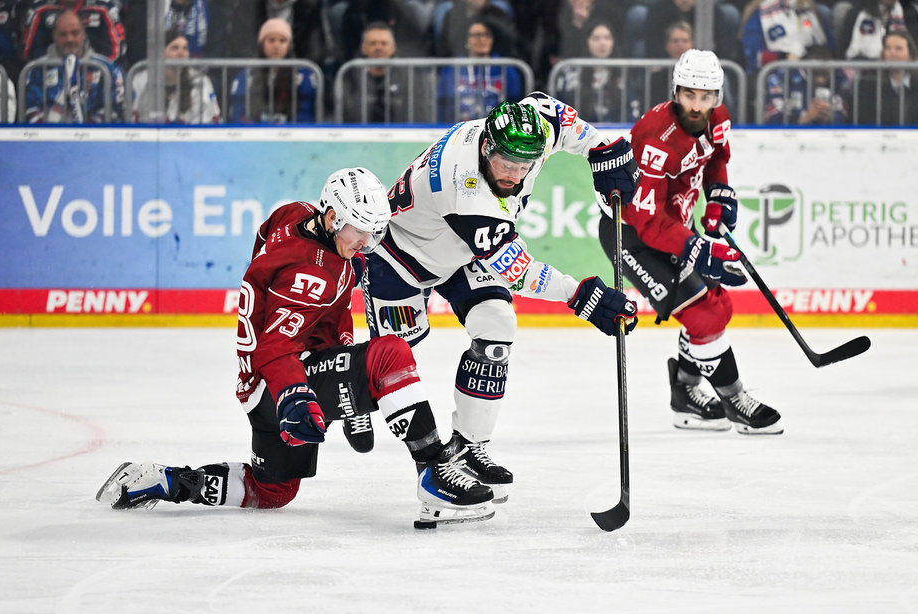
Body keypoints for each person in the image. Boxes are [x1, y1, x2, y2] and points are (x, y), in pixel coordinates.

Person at [96, 168, 496, 527]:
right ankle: (434, 472)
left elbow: (271, 262)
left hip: (257, 383)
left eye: (373, 231)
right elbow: (275, 343)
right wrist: (294, 394)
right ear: (334, 216)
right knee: (389, 355)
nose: (366, 242)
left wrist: (337, 350)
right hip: (280, 376)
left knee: (273, 490)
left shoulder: (295, 214)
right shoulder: (313, 274)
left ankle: (166, 481)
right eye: (359, 230)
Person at [362, 93, 640, 501]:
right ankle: (360, 405)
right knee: (392, 362)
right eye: (505, 164)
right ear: (487, 148)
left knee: (497, 324)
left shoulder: (534, 128)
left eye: (524, 166)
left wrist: (604, 148)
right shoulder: (466, 187)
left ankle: (464, 450)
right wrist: (580, 295)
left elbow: (563, 118)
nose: (514, 174)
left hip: (458, 254)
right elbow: (519, 272)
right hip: (400, 258)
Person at [599, 49, 783, 436]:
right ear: (675, 92)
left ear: (717, 96)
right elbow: (647, 221)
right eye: (689, 95)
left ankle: (685, 392)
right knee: (704, 314)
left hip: (673, 230)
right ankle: (734, 399)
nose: (697, 105)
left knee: (718, 304)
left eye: (706, 96)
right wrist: (699, 248)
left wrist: (718, 196)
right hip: (631, 237)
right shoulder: (655, 139)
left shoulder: (718, 119)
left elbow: (717, 160)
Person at [24, 9, 125, 123]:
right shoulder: (36, 69)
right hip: (50, 138)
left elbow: (115, 108)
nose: (69, 39)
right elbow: (30, 108)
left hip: (95, 138)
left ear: (84, 34)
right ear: (54, 36)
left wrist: (90, 129)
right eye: (63, 34)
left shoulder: (106, 68)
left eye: (75, 33)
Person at [340, 21, 433, 123]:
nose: (378, 48)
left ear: (393, 48)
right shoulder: (351, 78)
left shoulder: (409, 78)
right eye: (373, 43)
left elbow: (418, 115)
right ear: (363, 48)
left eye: (384, 43)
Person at [229, 17, 318, 124]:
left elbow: (306, 115)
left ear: (289, 45)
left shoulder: (303, 75)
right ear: (262, 44)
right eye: (271, 40)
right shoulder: (247, 75)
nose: (276, 46)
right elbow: (239, 113)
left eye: (282, 40)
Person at [436, 19, 523, 123]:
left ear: (492, 40)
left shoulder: (506, 69)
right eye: (476, 35)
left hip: (497, 129)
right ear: (466, 39)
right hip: (461, 128)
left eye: (486, 35)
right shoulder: (453, 69)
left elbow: (515, 102)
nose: (482, 39)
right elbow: (442, 104)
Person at [130, 27, 220, 124]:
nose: (181, 53)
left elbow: (210, 119)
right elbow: (131, 117)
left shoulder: (201, 81)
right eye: (174, 48)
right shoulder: (141, 80)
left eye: (185, 48)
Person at [551, 20, 623, 122]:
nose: (602, 43)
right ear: (587, 41)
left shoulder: (623, 73)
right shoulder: (569, 73)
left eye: (607, 38)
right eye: (596, 38)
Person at [22, 0, 126, 64]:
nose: (69, 38)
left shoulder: (104, 7)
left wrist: (95, 70)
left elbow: (116, 51)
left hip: (95, 75)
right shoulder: (40, 8)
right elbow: (30, 51)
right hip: (50, 77)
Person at [849, 30, 918, 125]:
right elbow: (864, 119)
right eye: (887, 48)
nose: (892, 53)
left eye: (898, 49)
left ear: (910, 56)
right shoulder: (868, 84)